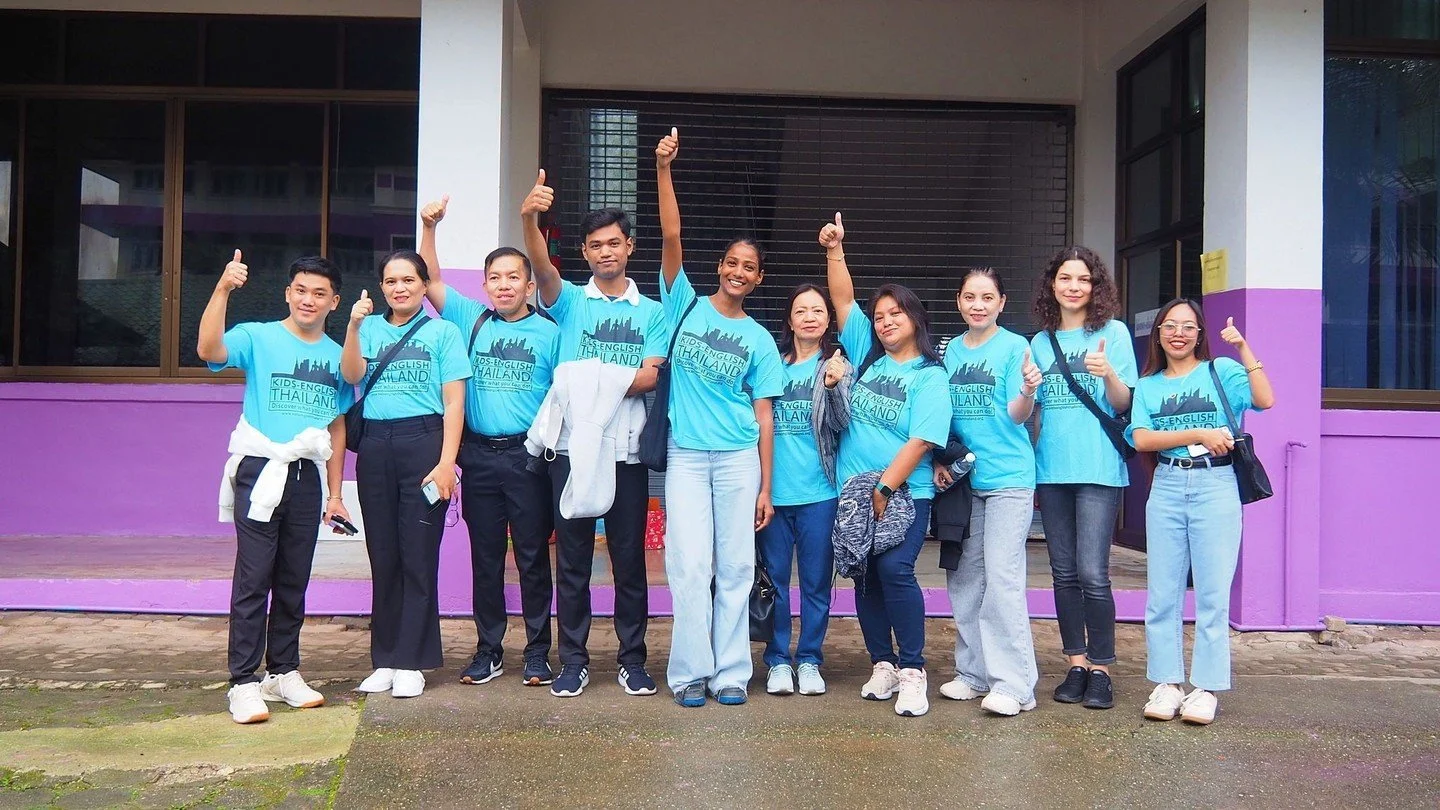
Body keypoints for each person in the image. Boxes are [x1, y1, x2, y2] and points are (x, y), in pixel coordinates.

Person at [521, 167, 669, 699]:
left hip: (627, 452)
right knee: (575, 559)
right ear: (584, 253)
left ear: (629, 247)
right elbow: (539, 263)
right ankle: (574, 661)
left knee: (630, 561)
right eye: (594, 245)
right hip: (570, 449)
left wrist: (586, 378)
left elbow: (653, 376)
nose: (605, 252)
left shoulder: (652, 312)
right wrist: (529, 216)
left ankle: (633, 660)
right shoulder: (567, 302)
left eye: (613, 243)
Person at [654, 129, 784, 708]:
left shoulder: (758, 338)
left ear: (759, 278)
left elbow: (763, 416)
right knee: (689, 566)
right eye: (731, 262)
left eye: (749, 267)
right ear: (720, 268)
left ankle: (731, 672)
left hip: (737, 460)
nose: (738, 271)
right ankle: (688, 674)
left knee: (734, 567)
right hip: (685, 454)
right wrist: (664, 169)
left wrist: (766, 487)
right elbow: (672, 234)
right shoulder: (684, 303)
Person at [200, 251, 353, 725]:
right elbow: (209, 351)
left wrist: (335, 494)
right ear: (288, 293)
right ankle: (243, 682)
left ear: (334, 302)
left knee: (293, 578)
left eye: (319, 293)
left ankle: (283, 671)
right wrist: (223, 288)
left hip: (308, 476)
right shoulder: (257, 336)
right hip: (261, 470)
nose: (309, 300)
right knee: (254, 577)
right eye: (301, 290)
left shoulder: (337, 357)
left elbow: (337, 426)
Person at [417, 197, 561, 688]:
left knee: (532, 557)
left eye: (513, 277)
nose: (503, 285)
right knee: (484, 558)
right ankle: (489, 649)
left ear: (528, 283)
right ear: (484, 286)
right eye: (495, 278)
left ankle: (538, 651)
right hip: (478, 456)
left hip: (528, 458)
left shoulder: (550, 332)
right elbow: (429, 281)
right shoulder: (470, 318)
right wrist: (429, 227)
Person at [823, 213, 950, 718]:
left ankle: (914, 670)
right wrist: (835, 251)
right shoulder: (867, 356)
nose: (886, 321)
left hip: (904, 493)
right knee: (864, 576)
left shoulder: (930, 377)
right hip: (854, 491)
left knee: (896, 571)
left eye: (896, 313)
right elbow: (841, 300)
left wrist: (884, 489)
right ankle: (883, 664)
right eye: (880, 316)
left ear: (915, 318)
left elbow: (921, 441)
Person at [1128, 298, 1274, 725]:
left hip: (1217, 484)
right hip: (1169, 484)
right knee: (1162, 593)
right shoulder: (1149, 384)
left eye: (1188, 326)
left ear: (1199, 334)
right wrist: (1198, 432)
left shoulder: (1222, 371)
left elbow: (1265, 399)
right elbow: (1140, 438)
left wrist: (1243, 348)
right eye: (1170, 326)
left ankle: (1206, 689)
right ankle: (1167, 683)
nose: (1178, 333)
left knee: (1212, 593)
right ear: (1158, 333)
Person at [341, 250, 470, 700]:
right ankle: (386, 658)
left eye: (409, 280)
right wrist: (354, 327)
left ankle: (413, 661)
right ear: (382, 288)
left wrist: (445, 462)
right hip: (375, 446)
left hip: (424, 442)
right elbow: (352, 375)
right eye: (391, 281)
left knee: (418, 555)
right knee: (384, 555)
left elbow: (454, 402)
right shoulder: (369, 328)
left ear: (422, 284)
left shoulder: (443, 332)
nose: (400, 288)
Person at [1029, 246, 1137, 710]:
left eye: (1083, 279)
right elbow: (1029, 410)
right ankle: (1075, 662)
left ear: (1097, 287)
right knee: (1063, 573)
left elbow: (1124, 403)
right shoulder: (1039, 341)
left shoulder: (1113, 333)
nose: (1074, 287)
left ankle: (1103, 668)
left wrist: (1108, 372)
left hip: (1097, 469)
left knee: (1094, 573)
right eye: (1065, 278)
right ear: (1053, 285)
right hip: (1051, 469)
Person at [937, 268, 1041, 717]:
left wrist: (1028, 392)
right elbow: (942, 416)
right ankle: (974, 674)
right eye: (969, 296)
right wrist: (941, 460)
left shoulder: (1016, 346)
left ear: (1001, 302)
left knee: (1001, 578)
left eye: (987, 297)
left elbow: (1017, 415)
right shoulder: (950, 352)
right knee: (964, 577)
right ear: (959, 301)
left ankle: (1015, 685)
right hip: (964, 480)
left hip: (1009, 480)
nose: (977, 304)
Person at [759, 283, 850, 697]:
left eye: (818, 310)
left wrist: (834, 385)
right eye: (801, 310)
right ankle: (778, 659)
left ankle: (810, 659)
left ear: (828, 320)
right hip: (773, 496)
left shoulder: (835, 367)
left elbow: (844, 423)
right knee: (774, 581)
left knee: (815, 583)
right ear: (790, 320)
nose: (810, 316)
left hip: (820, 494)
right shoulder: (771, 365)